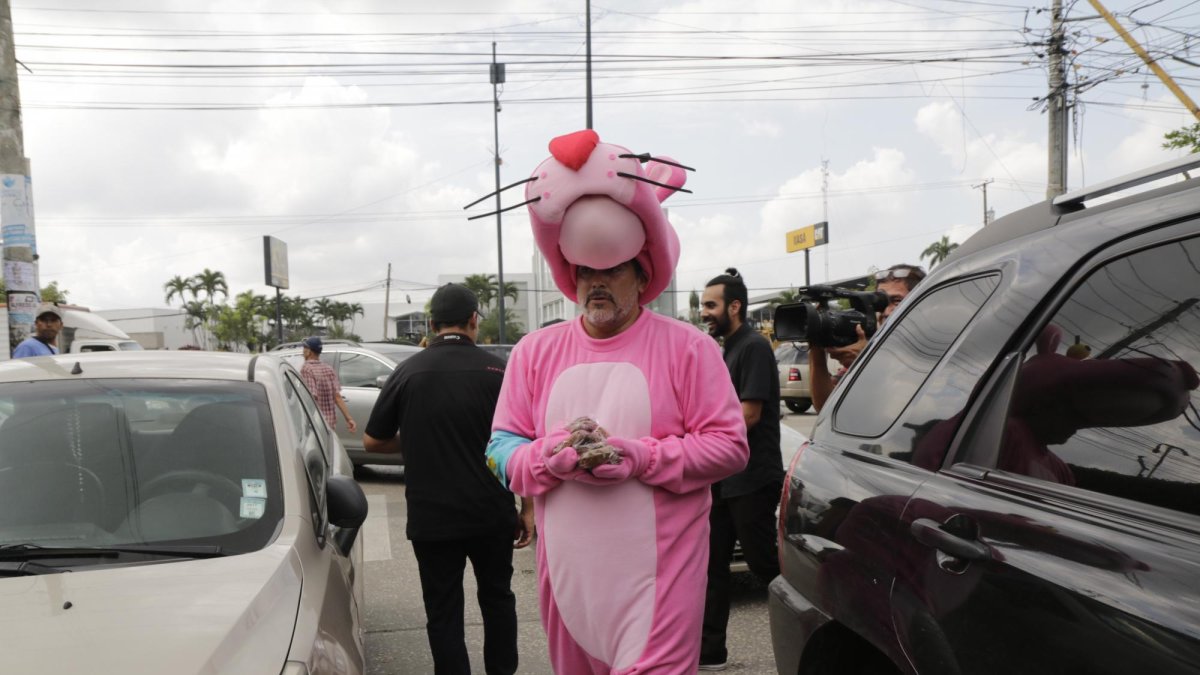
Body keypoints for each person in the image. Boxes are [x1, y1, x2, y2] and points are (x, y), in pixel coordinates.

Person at [481, 129, 749, 674]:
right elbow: (497, 449)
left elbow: (729, 447)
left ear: (641, 273)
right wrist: (543, 457)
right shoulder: (534, 352)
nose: (595, 283)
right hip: (570, 590)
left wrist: (642, 457)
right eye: (586, 271)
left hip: (660, 589)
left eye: (611, 269)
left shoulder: (688, 348)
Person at [363, 283, 533, 675]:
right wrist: (528, 507)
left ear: (431, 324)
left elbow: (373, 440)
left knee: (443, 611)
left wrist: (422, 437)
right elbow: (523, 442)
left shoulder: (408, 371)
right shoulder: (499, 371)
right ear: (474, 320)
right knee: (498, 600)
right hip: (491, 513)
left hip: (432, 519)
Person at [698, 268, 785, 671]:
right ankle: (710, 653)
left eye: (711, 305)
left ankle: (813, 627)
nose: (704, 313)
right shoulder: (726, 348)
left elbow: (749, 414)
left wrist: (701, 429)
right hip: (722, 478)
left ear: (735, 306)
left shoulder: (753, 347)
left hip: (752, 477)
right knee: (712, 566)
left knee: (764, 563)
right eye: (702, 305)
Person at [809, 263, 926, 411]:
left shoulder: (933, 350)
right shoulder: (871, 348)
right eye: (881, 302)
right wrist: (816, 345)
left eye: (897, 301)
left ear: (921, 302)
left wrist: (867, 364)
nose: (886, 312)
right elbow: (825, 406)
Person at [298, 336, 357, 433]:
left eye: (304, 348)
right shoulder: (328, 369)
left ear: (310, 351)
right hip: (330, 424)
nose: (303, 351)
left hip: (316, 425)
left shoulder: (306, 369)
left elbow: (312, 398)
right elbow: (337, 396)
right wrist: (349, 419)